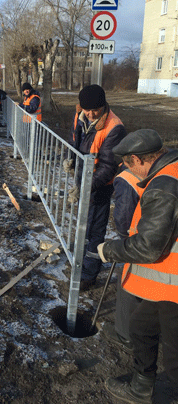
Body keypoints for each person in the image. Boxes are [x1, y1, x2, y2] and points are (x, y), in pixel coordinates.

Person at [97, 129, 178, 404]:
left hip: (174, 287)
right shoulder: (171, 169)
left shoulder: (164, 186)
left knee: (174, 356)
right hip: (167, 284)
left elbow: (148, 246)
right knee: (141, 327)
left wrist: (110, 250)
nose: (129, 172)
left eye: (128, 166)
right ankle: (142, 387)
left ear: (137, 159)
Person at [64, 84, 126, 291]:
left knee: (94, 231)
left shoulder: (114, 127)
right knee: (83, 224)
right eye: (86, 109)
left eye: (95, 111)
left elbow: (109, 167)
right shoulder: (80, 115)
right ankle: (79, 261)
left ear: (104, 106)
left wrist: (86, 187)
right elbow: (76, 141)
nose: (90, 114)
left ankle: (89, 275)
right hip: (84, 180)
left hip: (100, 186)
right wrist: (70, 159)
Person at [102, 164, 144, 354]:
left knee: (129, 281)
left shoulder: (127, 178)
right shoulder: (167, 168)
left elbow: (124, 215)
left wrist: (123, 242)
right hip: (164, 236)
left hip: (141, 239)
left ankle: (125, 334)